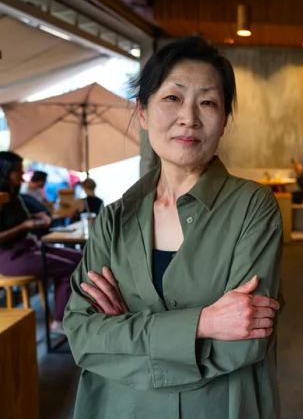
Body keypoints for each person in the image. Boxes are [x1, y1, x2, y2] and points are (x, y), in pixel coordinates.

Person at [63, 36, 282, 419]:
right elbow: (83, 336)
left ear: (225, 120)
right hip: (119, 408)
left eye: (208, 102)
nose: (189, 117)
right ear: (143, 113)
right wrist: (204, 322)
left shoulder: (253, 208)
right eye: (172, 98)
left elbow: (244, 342)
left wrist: (124, 332)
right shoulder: (114, 219)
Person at [0, 152, 82, 333]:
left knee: (81, 258)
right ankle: (59, 321)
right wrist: (25, 225)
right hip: (10, 258)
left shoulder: (14, 196)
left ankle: (77, 313)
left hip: (29, 248)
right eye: (18, 171)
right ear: (5, 172)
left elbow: (16, 220)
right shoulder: (2, 198)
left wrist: (35, 217)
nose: (22, 175)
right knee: (71, 268)